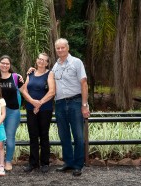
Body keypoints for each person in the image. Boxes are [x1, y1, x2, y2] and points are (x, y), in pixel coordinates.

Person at [53, 38, 90, 176]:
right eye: (58, 48)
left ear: (68, 48)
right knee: (64, 135)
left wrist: (84, 105)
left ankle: (78, 165)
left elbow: (84, 84)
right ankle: (68, 162)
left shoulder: (76, 62)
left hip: (75, 102)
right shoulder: (55, 66)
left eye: (63, 47)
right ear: (56, 49)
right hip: (60, 104)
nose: (60, 50)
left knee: (78, 135)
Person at [22, 53, 56, 173]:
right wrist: (32, 102)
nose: (41, 61)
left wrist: (39, 103)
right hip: (31, 109)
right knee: (33, 136)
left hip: (45, 109)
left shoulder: (49, 74)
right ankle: (33, 163)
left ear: (47, 63)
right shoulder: (30, 73)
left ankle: (45, 163)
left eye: (44, 60)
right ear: (36, 60)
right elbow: (24, 90)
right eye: (39, 59)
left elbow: (52, 92)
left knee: (44, 135)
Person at [0, 55, 24, 171]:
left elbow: (25, 90)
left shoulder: (16, 77)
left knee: (10, 137)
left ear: (10, 65)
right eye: (3, 63)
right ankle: (1, 161)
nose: (5, 65)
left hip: (12, 111)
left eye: (7, 63)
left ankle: (8, 161)